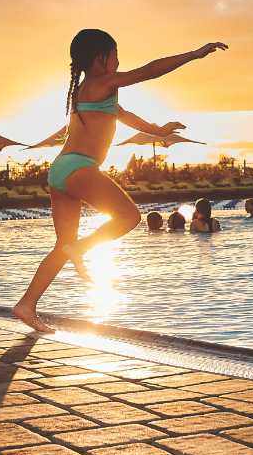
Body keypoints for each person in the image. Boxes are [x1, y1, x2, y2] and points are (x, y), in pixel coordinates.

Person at [11, 30, 228, 332]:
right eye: (114, 54)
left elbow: (123, 115)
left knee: (63, 244)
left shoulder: (89, 89)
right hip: (79, 167)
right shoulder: (104, 82)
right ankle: (82, 248)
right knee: (129, 216)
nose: (118, 60)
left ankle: (27, 304)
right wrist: (193, 54)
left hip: (61, 169)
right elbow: (149, 71)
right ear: (100, 59)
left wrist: (159, 130)